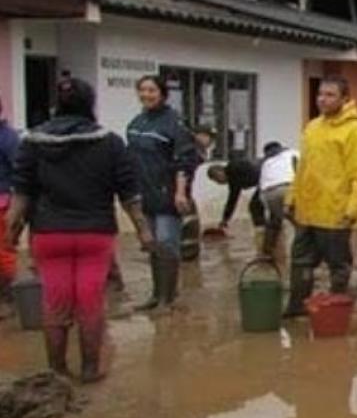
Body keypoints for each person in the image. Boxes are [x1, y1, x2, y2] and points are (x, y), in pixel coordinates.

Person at [7, 78, 152, 382]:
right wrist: (143, 232)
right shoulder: (110, 142)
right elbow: (128, 192)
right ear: (91, 105)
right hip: (94, 234)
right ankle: (89, 370)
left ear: (57, 106)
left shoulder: (32, 142)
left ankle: (57, 372)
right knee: (90, 302)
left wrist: (12, 231)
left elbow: (22, 191)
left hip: (49, 234)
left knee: (55, 303)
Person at [284, 77, 357, 316]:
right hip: (308, 208)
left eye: (330, 95)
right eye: (320, 94)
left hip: (335, 210)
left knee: (338, 264)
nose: (323, 99)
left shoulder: (355, 130)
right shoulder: (312, 127)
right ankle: (296, 307)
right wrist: (291, 198)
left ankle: (335, 309)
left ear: (345, 99)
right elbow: (302, 167)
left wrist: (353, 208)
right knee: (300, 260)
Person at [127, 75, 198, 311]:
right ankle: (156, 295)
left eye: (152, 90)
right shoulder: (136, 124)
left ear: (163, 94)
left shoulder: (174, 123)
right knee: (152, 245)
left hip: (167, 194)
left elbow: (184, 161)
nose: (147, 94)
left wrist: (180, 193)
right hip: (144, 194)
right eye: (143, 90)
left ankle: (168, 298)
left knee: (167, 244)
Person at [256, 142, 299, 259]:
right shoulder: (292, 153)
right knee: (301, 225)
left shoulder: (264, 162)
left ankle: (266, 253)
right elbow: (303, 172)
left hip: (267, 194)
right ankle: (306, 255)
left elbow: (260, 185)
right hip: (287, 188)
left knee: (274, 221)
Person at [206, 156, 262, 234]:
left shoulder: (233, 169)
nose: (218, 183)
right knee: (256, 205)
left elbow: (232, 199)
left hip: (267, 177)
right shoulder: (233, 178)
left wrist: (224, 220)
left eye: (216, 179)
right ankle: (263, 231)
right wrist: (225, 220)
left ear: (220, 172)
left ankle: (262, 233)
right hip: (265, 179)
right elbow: (232, 200)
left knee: (255, 205)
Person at [0, 98, 19, 315]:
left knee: (3, 251)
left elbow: (19, 171)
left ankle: (7, 298)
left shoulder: (8, 138)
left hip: (3, 203)